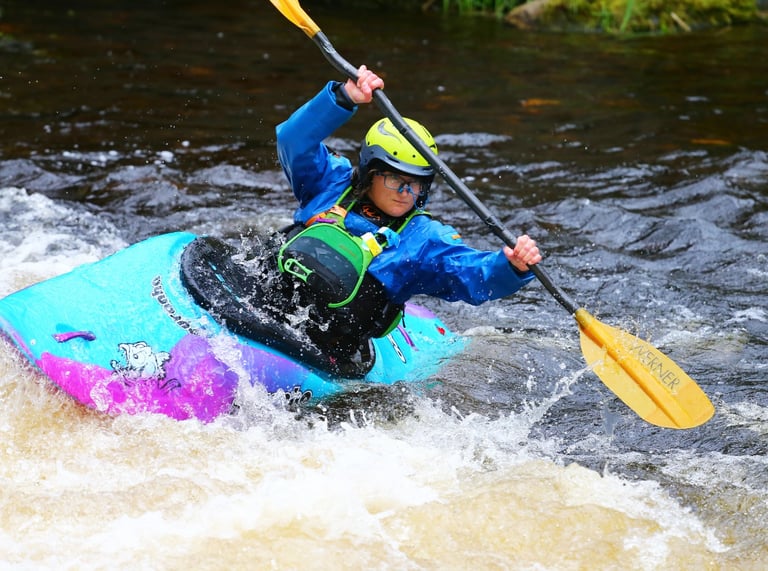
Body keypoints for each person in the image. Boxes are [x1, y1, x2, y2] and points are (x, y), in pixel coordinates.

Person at [269, 65, 542, 374]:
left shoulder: (423, 239)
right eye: (394, 179)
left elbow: (472, 274)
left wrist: (511, 266)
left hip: (326, 348)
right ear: (371, 171)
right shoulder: (330, 182)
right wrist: (344, 98)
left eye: (416, 183)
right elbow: (293, 140)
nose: (405, 192)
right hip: (270, 304)